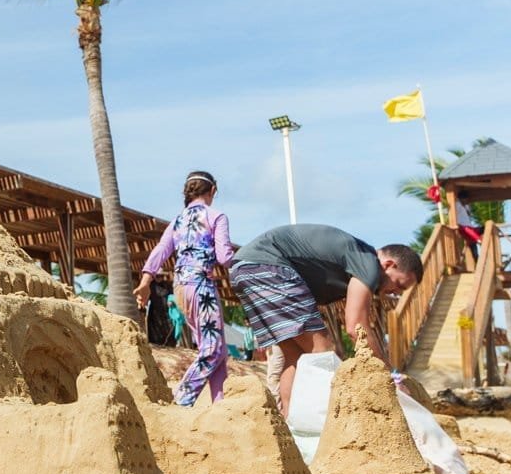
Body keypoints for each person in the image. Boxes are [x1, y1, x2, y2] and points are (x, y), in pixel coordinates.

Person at [230, 225, 422, 418]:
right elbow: (356, 327)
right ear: (389, 265)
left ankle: (292, 428)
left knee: (295, 357)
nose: (395, 293)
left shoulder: (358, 258)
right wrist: (390, 376)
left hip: (244, 268)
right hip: (268, 266)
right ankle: (332, 426)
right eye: (398, 285)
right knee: (323, 352)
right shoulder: (369, 263)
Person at [135, 171, 235, 405]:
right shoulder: (216, 216)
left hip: (180, 287)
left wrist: (145, 282)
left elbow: (161, 250)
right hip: (202, 286)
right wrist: (248, 264)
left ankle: (219, 406)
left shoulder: (177, 221)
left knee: (214, 351)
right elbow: (224, 256)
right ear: (212, 191)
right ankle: (180, 399)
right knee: (213, 350)